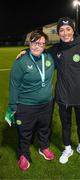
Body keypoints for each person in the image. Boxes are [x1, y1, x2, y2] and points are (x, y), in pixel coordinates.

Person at [16, 17, 80, 164]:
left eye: (68, 29)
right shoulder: (56, 49)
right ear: (58, 33)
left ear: (73, 30)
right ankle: (67, 149)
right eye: (61, 30)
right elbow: (40, 51)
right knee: (65, 125)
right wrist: (25, 51)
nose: (65, 33)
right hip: (63, 97)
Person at [5, 30, 55, 171]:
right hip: (26, 106)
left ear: (45, 45)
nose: (37, 46)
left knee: (45, 129)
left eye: (41, 43)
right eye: (34, 42)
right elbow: (14, 86)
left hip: (47, 104)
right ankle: (24, 154)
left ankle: (43, 147)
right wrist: (12, 106)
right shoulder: (20, 62)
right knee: (25, 132)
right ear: (29, 43)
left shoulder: (50, 58)